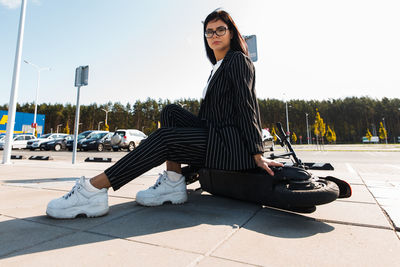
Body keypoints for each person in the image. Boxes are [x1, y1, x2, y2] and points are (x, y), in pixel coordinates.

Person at [46, 9, 283, 219]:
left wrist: (256, 152)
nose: (214, 35)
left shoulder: (238, 60)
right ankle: (172, 183)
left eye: (221, 29)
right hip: (213, 134)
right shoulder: (217, 67)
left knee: (165, 138)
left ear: (232, 32)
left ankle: (92, 191)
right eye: (209, 32)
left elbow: (246, 106)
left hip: (229, 145)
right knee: (170, 111)